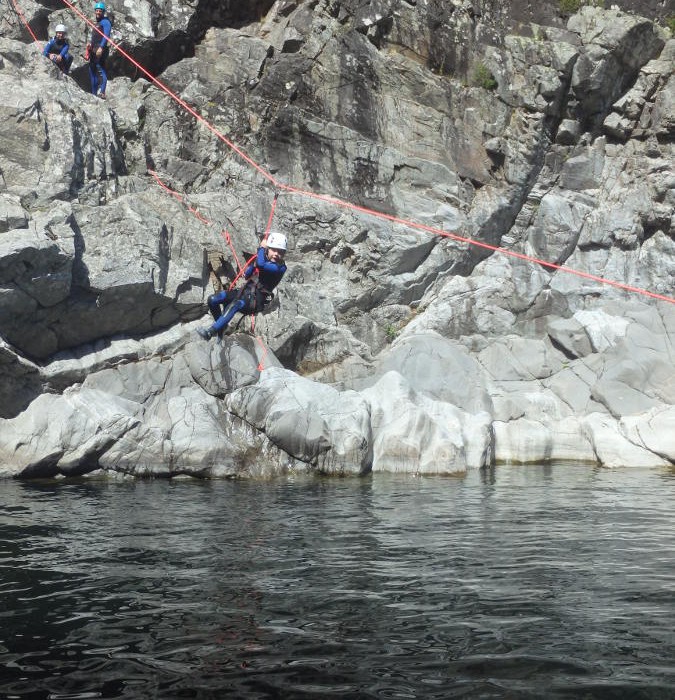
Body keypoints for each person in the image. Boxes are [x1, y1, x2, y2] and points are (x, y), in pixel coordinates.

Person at [197, 232, 288, 340]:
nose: (277, 254)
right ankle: (221, 326)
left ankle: (210, 332)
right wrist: (253, 266)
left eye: (280, 252)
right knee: (213, 299)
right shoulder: (263, 260)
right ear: (269, 249)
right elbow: (248, 275)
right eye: (274, 250)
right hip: (245, 292)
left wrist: (261, 248)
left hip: (256, 301)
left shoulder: (280, 268)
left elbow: (261, 265)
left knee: (235, 304)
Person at [86, 2, 112, 98]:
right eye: (96, 10)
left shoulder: (106, 22)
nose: (98, 12)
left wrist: (101, 47)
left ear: (103, 12)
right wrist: (90, 45)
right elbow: (95, 37)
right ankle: (93, 93)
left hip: (100, 49)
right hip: (94, 49)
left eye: (100, 11)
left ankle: (102, 92)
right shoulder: (98, 23)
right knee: (92, 70)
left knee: (100, 70)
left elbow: (106, 36)